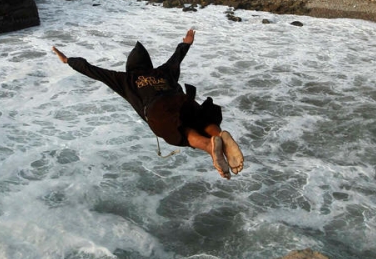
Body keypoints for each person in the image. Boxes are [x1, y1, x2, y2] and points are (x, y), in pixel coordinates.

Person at [51, 29, 244, 179]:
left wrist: (68, 60)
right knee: (201, 118)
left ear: (130, 67)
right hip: (182, 100)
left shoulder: (126, 79)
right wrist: (186, 43)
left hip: (158, 110)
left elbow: (92, 70)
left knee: (181, 132)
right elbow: (176, 57)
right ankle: (219, 135)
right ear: (148, 64)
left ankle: (210, 147)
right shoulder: (163, 71)